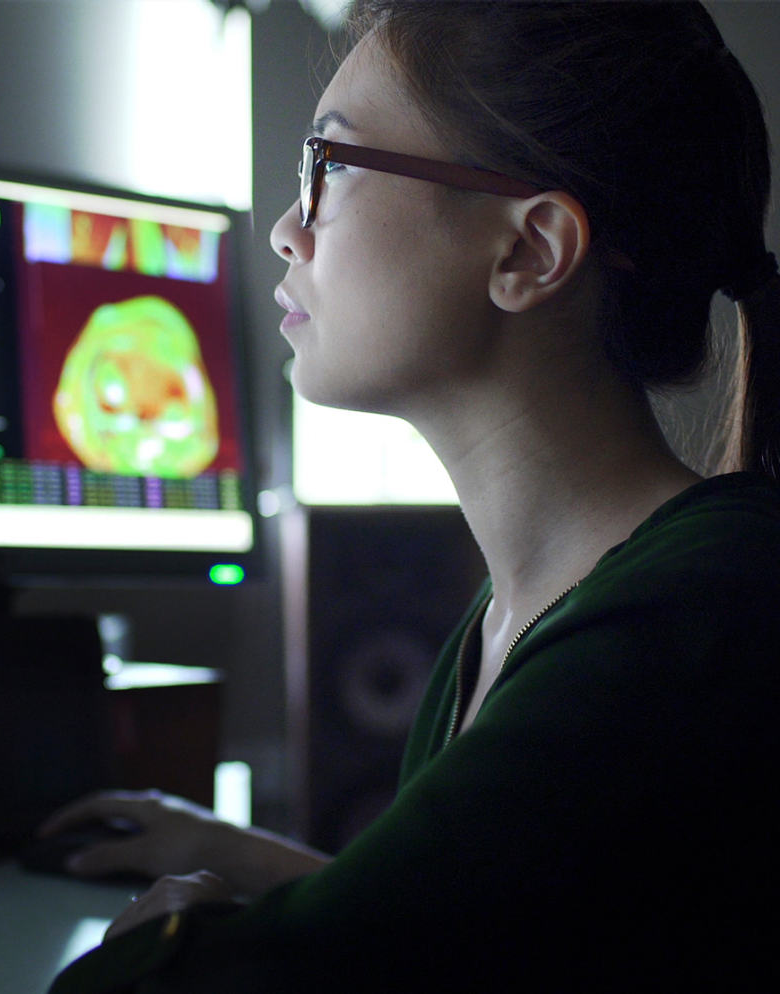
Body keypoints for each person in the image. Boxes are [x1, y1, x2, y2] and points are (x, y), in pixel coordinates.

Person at [43, 2, 780, 990]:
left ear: (527, 253)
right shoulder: (513, 614)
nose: (282, 229)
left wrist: (164, 939)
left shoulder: (692, 612)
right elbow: (494, 931)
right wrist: (254, 858)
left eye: (330, 168)